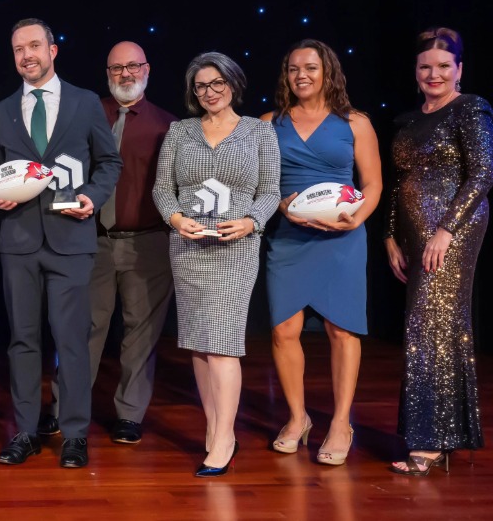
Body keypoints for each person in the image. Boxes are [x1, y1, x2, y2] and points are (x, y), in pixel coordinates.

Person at [0, 18, 122, 469]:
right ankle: (25, 431)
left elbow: (109, 163)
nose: (27, 55)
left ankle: (76, 434)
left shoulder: (85, 103)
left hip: (72, 240)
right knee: (23, 341)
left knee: (72, 341)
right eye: (18, 49)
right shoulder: (3, 109)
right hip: (19, 242)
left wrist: (93, 196)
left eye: (34, 46)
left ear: (53, 50)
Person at [152, 51, 280, 477]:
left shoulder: (260, 133)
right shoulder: (180, 131)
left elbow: (269, 190)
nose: (209, 92)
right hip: (188, 246)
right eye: (201, 85)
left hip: (236, 247)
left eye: (217, 83)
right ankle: (215, 428)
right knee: (199, 343)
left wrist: (251, 222)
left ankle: (224, 438)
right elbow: (162, 189)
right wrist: (175, 219)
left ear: (233, 83)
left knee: (223, 342)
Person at [261, 40, 381, 466]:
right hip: (289, 236)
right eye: (293, 69)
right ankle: (298, 418)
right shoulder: (268, 123)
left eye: (310, 67)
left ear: (328, 71)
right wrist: (281, 206)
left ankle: (341, 422)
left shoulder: (355, 122)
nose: (301, 76)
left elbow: (373, 185)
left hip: (342, 238)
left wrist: (355, 218)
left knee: (341, 330)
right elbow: (260, 184)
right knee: (284, 331)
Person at [385, 27, 493, 475]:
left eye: (443, 66)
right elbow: (399, 182)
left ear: (459, 70)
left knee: (429, 325)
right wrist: (390, 235)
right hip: (413, 231)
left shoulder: (470, 109)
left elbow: (483, 174)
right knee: (428, 326)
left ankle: (431, 440)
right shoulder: (408, 120)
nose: (434, 74)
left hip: (453, 228)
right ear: (415, 71)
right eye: (426, 66)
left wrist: (446, 230)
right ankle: (439, 432)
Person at [85, 41, 177, 445]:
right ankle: (67, 406)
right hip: (93, 240)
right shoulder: (87, 115)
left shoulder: (168, 125)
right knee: (84, 327)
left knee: (141, 331)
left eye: (133, 66)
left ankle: (129, 414)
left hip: (148, 242)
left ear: (147, 69)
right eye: (117, 68)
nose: (125, 74)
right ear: (107, 73)